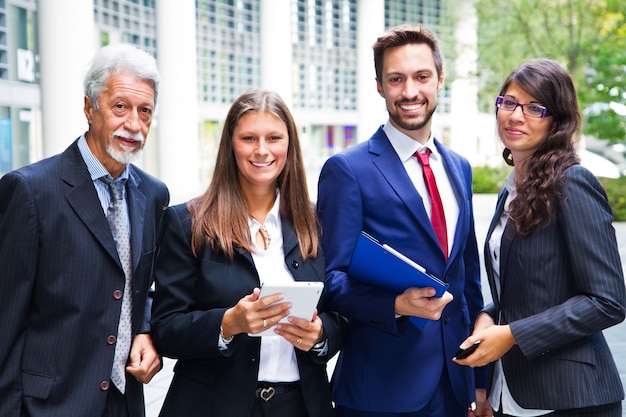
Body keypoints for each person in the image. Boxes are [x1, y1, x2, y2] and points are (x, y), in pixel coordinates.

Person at [316, 24, 488, 417]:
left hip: (454, 383)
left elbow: (467, 277)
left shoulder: (458, 166)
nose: (410, 91)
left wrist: (480, 383)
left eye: (421, 77)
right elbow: (331, 279)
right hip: (380, 391)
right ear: (380, 86)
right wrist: (395, 303)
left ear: (440, 80)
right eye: (396, 79)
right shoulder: (347, 169)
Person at [150, 89, 345, 417]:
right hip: (212, 405)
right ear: (230, 144)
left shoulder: (318, 223)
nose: (262, 150)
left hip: (300, 405)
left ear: (289, 145)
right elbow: (166, 328)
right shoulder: (188, 223)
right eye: (249, 138)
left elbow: (343, 311)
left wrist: (321, 333)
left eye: (273, 138)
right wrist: (228, 323)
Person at [0, 43, 169, 417]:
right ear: (89, 108)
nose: (134, 125)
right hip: (49, 406)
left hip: (124, 402)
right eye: (120, 107)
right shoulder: (30, 191)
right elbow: (5, 321)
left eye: (145, 112)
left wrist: (144, 330)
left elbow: (141, 286)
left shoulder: (154, 195)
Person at [455, 58, 626, 417]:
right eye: (509, 102)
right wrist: (489, 315)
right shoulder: (510, 191)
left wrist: (513, 334)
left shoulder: (572, 183)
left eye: (535, 108)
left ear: (556, 121)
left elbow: (608, 300)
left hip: (572, 399)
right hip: (514, 396)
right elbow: (526, 288)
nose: (517, 116)